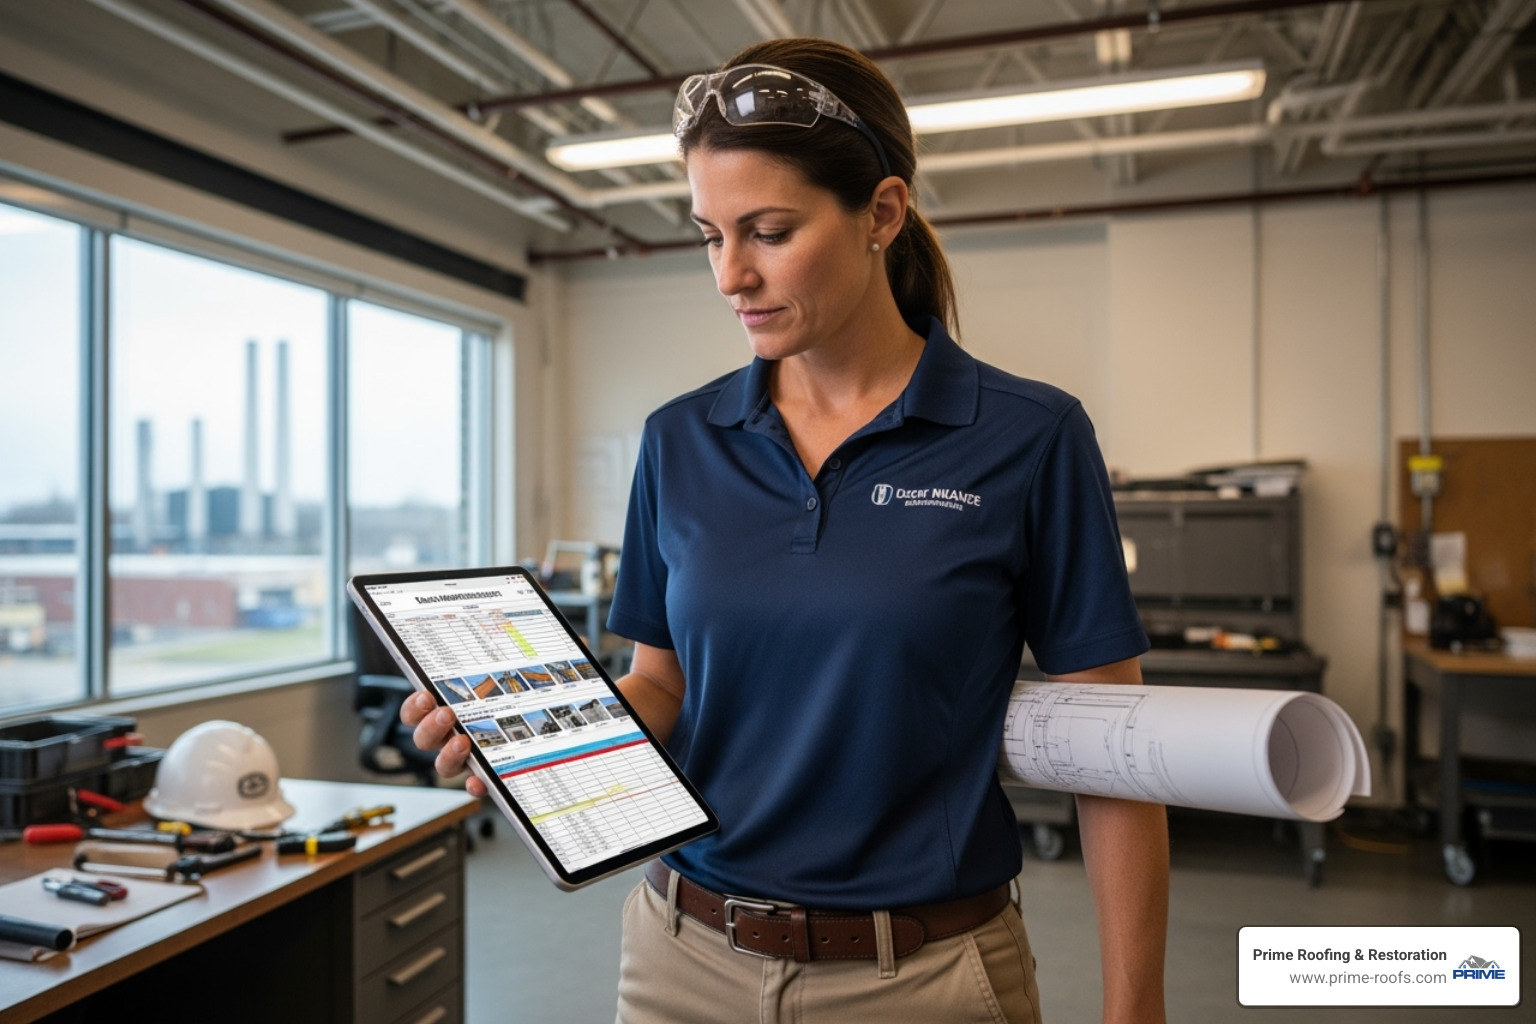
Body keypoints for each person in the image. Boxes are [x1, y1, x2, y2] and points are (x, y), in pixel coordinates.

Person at [403, 36, 1169, 1024]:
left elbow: (1115, 751)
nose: (731, 275)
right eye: (710, 234)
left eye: (767, 231)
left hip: (925, 976)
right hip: (684, 959)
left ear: (881, 214)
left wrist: (1134, 1008)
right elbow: (661, 681)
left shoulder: (1028, 438)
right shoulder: (681, 439)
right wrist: (528, 728)